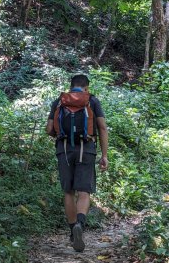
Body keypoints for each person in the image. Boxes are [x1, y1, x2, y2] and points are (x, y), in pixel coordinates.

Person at [46, 74, 109, 252]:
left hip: (64, 150)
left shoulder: (59, 101)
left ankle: (73, 231)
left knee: (68, 191)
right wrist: (104, 155)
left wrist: (60, 137)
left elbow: (49, 129)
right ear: (86, 88)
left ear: (71, 86)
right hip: (87, 149)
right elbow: (102, 127)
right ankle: (80, 223)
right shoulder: (92, 101)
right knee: (84, 190)